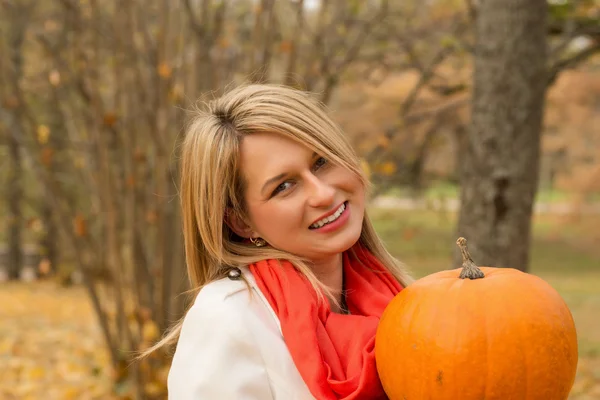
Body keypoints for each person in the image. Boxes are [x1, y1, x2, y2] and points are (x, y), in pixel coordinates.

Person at [159, 84, 413, 399]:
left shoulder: (400, 301)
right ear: (241, 221)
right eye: (285, 186)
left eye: (321, 162)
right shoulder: (229, 319)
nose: (323, 193)